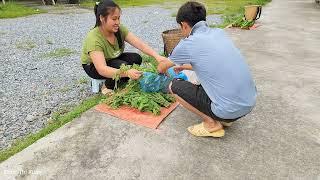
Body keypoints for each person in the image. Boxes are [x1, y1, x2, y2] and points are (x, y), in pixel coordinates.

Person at [157, 1, 257, 137]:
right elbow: (210, 63)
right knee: (207, 80)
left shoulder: (188, 43)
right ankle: (225, 118)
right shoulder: (219, 33)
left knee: (174, 86)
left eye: (181, 28)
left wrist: (159, 71)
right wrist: (184, 66)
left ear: (184, 25)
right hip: (248, 103)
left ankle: (211, 124)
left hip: (228, 110)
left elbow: (162, 67)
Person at [81, 0, 167, 91]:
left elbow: (139, 44)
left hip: (111, 59)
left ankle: (120, 79)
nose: (117, 22)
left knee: (136, 58)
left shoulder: (118, 29)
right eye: (114, 19)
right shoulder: (94, 39)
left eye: (118, 18)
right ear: (102, 18)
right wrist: (127, 73)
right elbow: (101, 69)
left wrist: (157, 56)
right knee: (122, 66)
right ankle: (106, 86)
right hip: (93, 66)